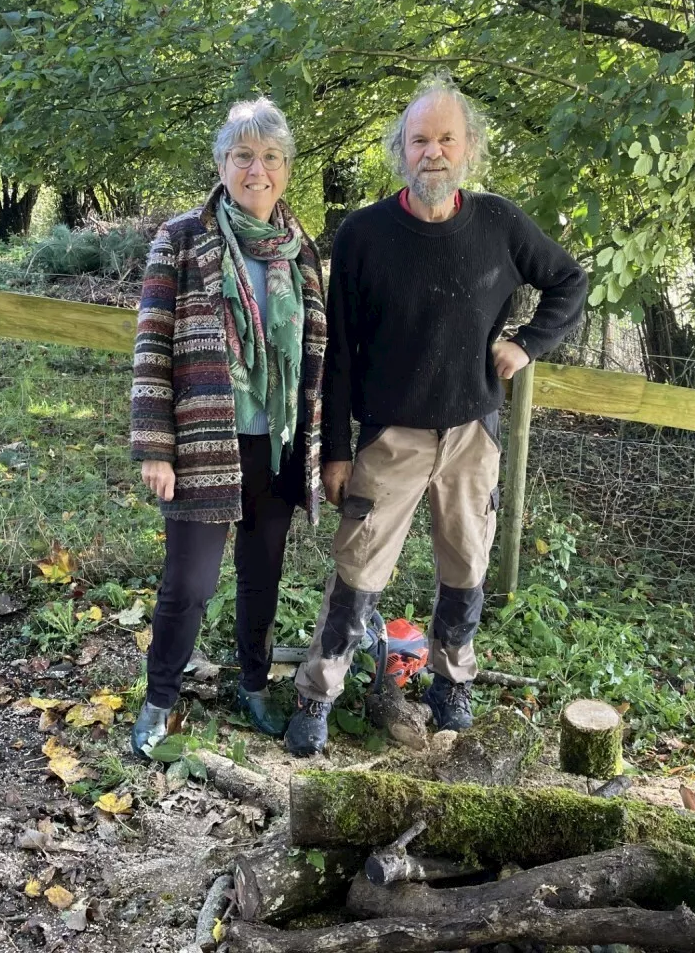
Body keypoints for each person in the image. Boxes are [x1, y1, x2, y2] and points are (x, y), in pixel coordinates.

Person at [284, 75, 588, 757]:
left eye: (447, 138)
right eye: (420, 139)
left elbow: (570, 281)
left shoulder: (501, 225)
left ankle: (452, 684)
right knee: (357, 571)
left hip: (473, 433)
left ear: (469, 148)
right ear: (401, 151)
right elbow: (338, 357)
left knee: (467, 567)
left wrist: (526, 344)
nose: (434, 152)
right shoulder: (363, 235)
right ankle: (317, 694)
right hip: (390, 435)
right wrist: (335, 450)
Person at [129, 98, 327, 758]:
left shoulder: (302, 250)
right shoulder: (183, 237)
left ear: (286, 170)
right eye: (243, 155)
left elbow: (315, 356)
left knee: (261, 574)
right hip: (204, 442)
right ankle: (159, 698)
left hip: (278, 444)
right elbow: (152, 347)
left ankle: (253, 682)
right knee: (189, 583)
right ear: (221, 163)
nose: (257, 169)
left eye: (271, 157)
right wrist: (155, 446)